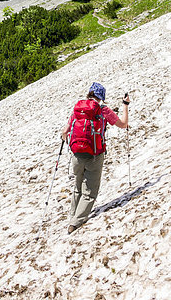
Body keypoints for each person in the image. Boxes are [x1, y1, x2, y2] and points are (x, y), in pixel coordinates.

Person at [61, 82, 130, 234]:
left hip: (76, 154)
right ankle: (75, 223)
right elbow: (124, 124)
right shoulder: (103, 110)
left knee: (78, 186)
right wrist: (125, 104)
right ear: (101, 97)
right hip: (94, 154)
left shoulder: (78, 108)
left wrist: (70, 142)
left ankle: (73, 216)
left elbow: (65, 131)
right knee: (90, 191)